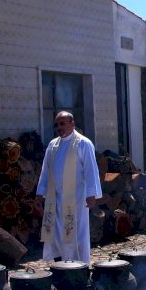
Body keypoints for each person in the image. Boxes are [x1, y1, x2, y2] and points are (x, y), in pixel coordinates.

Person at [36, 111, 102, 263]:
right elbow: (46, 170)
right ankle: (59, 264)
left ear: (72, 123)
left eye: (62, 123)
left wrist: (92, 194)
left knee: (76, 233)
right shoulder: (53, 145)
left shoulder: (83, 143)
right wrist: (40, 193)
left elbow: (91, 170)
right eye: (57, 124)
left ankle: (79, 265)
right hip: (55, 197)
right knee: (55, 232)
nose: (59, 127)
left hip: (76, 198)